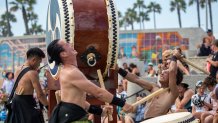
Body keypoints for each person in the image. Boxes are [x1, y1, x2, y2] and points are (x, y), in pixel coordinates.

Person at [47, 39, 133, 123]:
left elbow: (78, 101)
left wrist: (100, 111)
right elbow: (98, 93)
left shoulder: (68, 70)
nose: (71, 44)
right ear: (63, 54)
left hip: (71, 115)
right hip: (72, 117)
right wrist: (123, 104)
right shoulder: (71, 72)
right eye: (67, 44)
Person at [117, 49, 184, 119]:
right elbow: (135, 79)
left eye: (166, 72)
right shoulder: (153, 87)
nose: (162, 73)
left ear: (173, 78)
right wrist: (118, 69)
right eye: (163, 71)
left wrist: (174, 57)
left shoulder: (173, 92)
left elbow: (172, 71)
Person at [8, 47, 48, 123]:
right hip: (26, 103)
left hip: (16, 101)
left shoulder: (18, 69)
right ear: (34, 60)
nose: (39, 65)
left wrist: (35, 72)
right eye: (39, 63)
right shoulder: (33, 73)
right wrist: (48, 106)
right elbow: (40, 95)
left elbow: (24, 80)